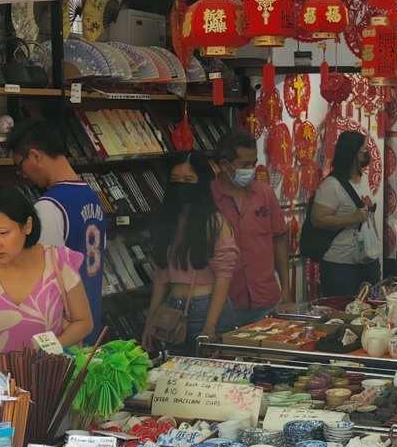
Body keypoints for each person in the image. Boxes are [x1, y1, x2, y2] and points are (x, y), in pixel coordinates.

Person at [0, 186, 94, 358]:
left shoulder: (57, 261)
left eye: (3, 233)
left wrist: (44, 354)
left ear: (27, 225)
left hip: (47, 376)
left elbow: (84, 322)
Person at [5, 121, 107, 342]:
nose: (23, 175)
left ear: (35, 155)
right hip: (91, 315)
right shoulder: (91, 195)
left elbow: (45, 278)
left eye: (20, 166)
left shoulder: (49, 206)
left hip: (68, 329)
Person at [145, 151, 239, 351]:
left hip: (206, 307)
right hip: (172, 309)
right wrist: (150, 322)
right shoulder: (168, 221)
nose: (181, 185)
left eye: (188, 180)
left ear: (201, 183)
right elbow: (162, 278)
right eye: (175, 179)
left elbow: (224, 276)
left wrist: (210, 326)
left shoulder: (214, 221)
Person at [212, 129, 292, 325]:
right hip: (225, 303)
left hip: (266, 300)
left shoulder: (264, 193)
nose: (251, 169)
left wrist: (286, 291)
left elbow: (279, 240)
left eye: (254, 163)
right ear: (225, 165)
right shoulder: (208, 198)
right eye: (244, 165)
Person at [309, 131, 381, 299]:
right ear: (352, 153)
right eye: (363, 151)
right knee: (343, 311)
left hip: (368, 260)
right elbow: (317, 219)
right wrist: (351, 219)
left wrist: (376, 248)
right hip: (340, 265)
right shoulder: (332, 185)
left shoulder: (363, 179)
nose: (367, 154)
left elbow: (369, 216)